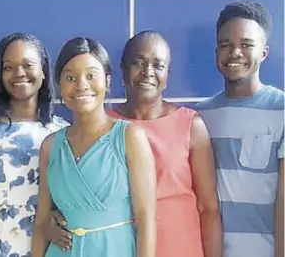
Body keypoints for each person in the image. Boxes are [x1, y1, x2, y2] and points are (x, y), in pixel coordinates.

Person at [43, 31, 223, 257]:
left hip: (181, 248)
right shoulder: (103, 128)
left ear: (167, 74)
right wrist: (51, 222)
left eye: (158, 65)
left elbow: (209, 209)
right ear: (123, 70)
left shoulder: (190, 124)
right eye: (139, 62)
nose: (148, 72)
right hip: (121, 249)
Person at [31, 37, 157, 257]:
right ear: (60, 86)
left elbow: (147, 222)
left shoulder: (129, 137)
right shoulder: (51, 146)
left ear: (107, 82)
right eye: (70, 77)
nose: (81, 85)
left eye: (91, 75)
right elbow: (41, 223)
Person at [0, 33, 68, 257]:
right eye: (8, 67)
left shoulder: (63, 132)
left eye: (28, 65)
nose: (19, 73)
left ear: (44, 70)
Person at [197, 1, 284, 257]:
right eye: (226, 45)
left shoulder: (281, 109)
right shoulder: (200, 116)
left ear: (264, 52)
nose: (235, 52)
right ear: (216, 52)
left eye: (246, 45)